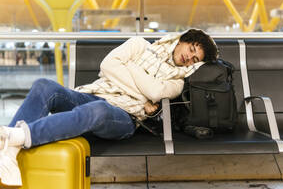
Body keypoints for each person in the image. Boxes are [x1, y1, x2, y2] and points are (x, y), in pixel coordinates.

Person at [0, 29, 218, 187]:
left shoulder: (177, 82)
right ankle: (6, 154)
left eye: (194, 59)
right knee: (44, 86)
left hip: (123, 116)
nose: (188, 58)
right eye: (191, 49)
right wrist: (141, 90)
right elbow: (107, 66)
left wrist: (128, 68)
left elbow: (155, 93)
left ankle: (15, 137)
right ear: (181, 40)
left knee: (98, 111)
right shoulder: (139, 44)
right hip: (93, 94)